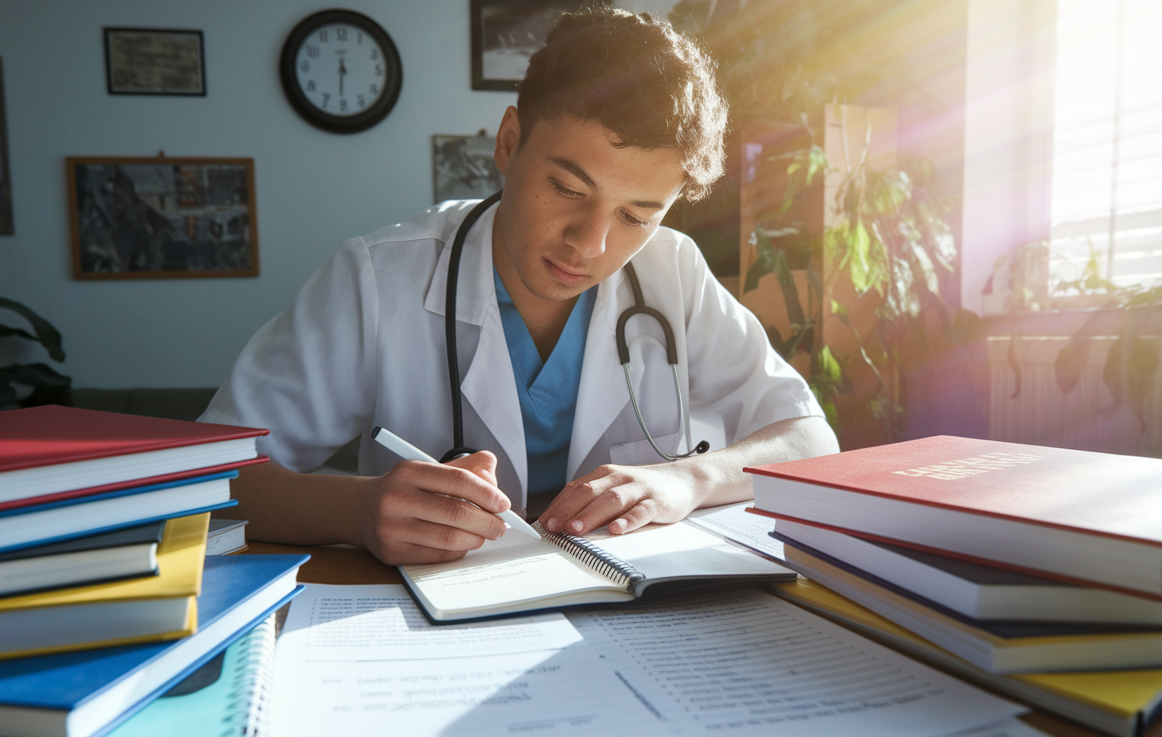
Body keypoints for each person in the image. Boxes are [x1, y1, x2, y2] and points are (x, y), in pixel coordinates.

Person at [199, 7, 839, 565]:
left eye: (637, 216)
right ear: (508, 143)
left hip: (629, 619)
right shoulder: (376, 277)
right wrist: (358, 509)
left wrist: (690, 479)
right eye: (567, 188)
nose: (589, 244)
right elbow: (210, 482)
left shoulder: (674, 274)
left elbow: (809, 439)